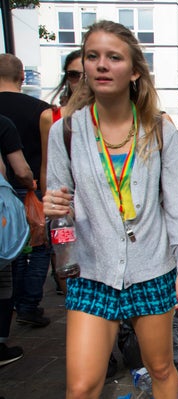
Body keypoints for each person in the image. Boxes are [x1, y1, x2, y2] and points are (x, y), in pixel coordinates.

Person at [43, 20, 178, 399]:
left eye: (114, 57)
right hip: (93, 271)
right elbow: (60, 200)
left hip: (152, 266)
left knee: (161, 366)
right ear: (83, 67)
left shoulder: (159, 130)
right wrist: (53, 206)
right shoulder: (66, 132)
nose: (101, 65)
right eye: (93, 56)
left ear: (134, 71)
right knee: (81, 387)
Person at [0, 54, 53, 328]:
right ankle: (28, 305)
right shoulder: (40, 109)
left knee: (11, 252)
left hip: (5, 192)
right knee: (40, 248)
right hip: (30, 189)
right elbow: (47, 156)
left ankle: (11, 303)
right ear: (22, 76)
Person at [41, 50, 83, 297]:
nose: (80, 81)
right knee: (75, 291)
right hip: (69, 218)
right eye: (73, 74)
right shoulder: (55, 120)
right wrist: (44, 204)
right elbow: (48, 168)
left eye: (84, 74)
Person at [0, 115, 34, 367]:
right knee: (7, 271)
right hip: (10, 206)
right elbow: (19, 170)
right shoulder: (3, 123)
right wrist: (30, 183)